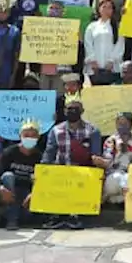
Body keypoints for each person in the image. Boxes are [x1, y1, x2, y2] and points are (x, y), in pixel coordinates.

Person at [42, 94, 101, 229]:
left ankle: (75, 215)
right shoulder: (55, 130)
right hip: (60, 171)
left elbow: (96, 154)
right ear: (64, 111)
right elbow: (49, 154)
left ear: (82, 111)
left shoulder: (93, 131)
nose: (72, 111)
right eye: (69, 108)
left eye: (76, 108)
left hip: (82, 172)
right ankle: (56, 215)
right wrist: (41, 172)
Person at [0, 119, 44, 229]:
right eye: (26, 135)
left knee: (27, 215)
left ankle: (6, 217)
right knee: (8, 176)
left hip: (26, 193)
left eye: (33, 136)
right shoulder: (9, 152)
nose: (29, 138)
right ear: (20, 136)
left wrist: (34, 194)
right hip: (8, 191)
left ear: (38, 138)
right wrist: (1, 187)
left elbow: (42, 179)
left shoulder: (39, 157)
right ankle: (11, 220)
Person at [96, 111, 132, 205]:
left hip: (131, 176)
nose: (122, 126)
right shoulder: (110, 141)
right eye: (119, 123)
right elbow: (108, 162)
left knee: (129, 182)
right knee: (117, 179)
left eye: (125, 123)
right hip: (113, 176)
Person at [84, 0, 124, 86]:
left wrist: (111, 61)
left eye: (109, 7)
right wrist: (92, 60)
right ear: (99, 9)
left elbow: (120, 45)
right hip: (94, 68)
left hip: (112, 67)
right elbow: (88, 44)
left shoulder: (117, 27)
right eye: (104, 7)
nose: (106, 10)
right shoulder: (92, 26)